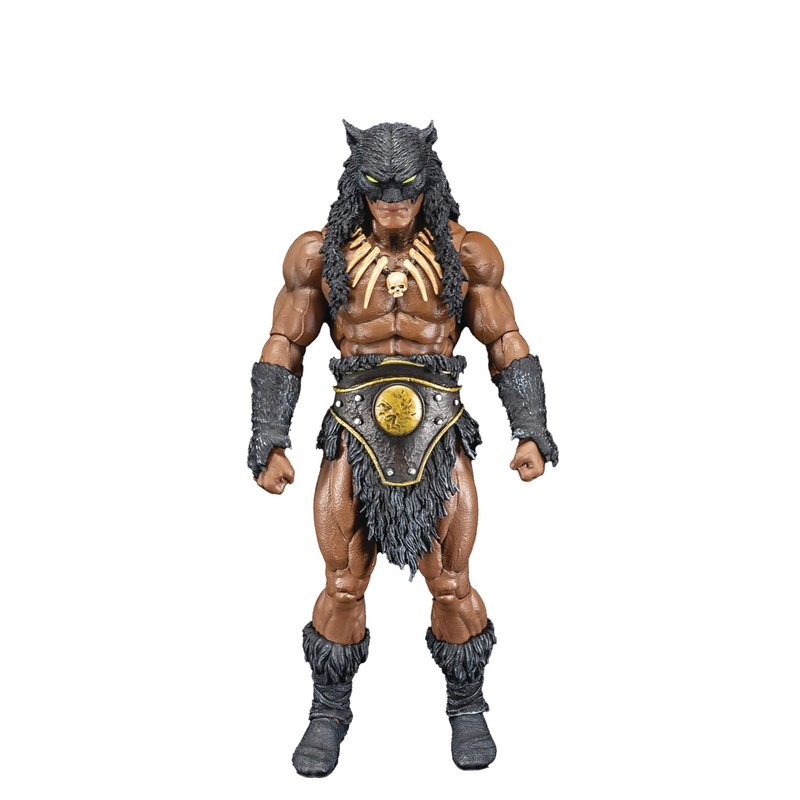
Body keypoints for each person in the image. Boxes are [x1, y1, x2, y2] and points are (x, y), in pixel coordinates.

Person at [248, 120, 558, 776]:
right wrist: (267, 437)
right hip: (353, 431)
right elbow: (284, 345)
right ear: (356, 184)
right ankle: (328, 712)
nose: (392, 201)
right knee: (342, 583)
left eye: (405, 187)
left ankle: (466, 704)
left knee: (451, 582)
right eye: (378, 188)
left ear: (428, 183)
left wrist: (530, 428)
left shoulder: (467, 253)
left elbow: (506, 341)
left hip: (439, 431)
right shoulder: (318, 254)